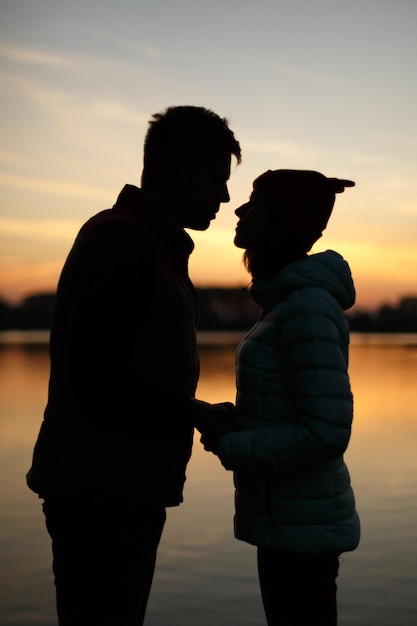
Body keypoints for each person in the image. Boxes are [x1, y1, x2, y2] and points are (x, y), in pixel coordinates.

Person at [26, 105, 241, 626]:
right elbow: (96, 373)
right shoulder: (122, 240)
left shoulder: (149, 243)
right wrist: (197, 413)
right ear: (177, 170)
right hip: (100, 491)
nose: (225, 197)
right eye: (216, 179)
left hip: (122, 486)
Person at [196, 169, 361, 626]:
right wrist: (236, 421)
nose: (240, 209)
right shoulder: (285, 304)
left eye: (255, 202)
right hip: (288, 524)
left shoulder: (307, 307)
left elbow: (325, 434)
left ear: (281, 221)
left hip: (303, 533)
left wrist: (231, 445)